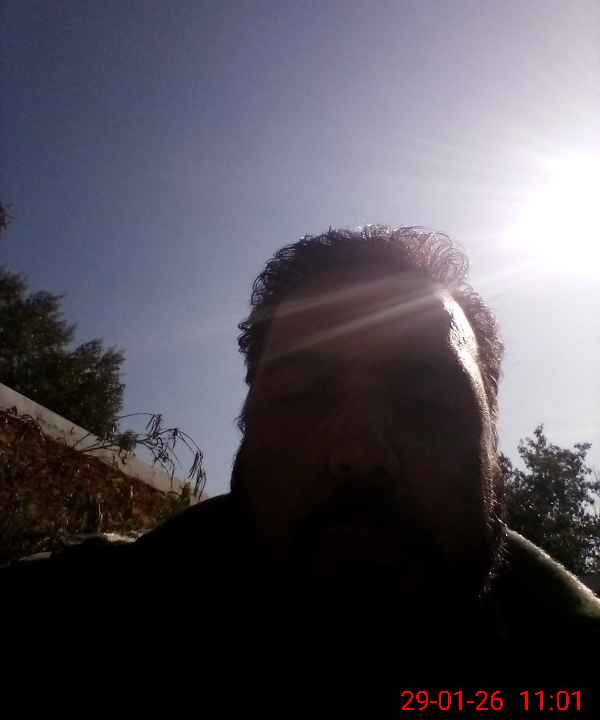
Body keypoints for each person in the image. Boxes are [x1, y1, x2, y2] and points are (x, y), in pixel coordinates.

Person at [5, 225, 600, 685]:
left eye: (426, 401)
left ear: (495, 450)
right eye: (300, 395)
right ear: (246, 424)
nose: (359, 454)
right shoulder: (56, 620)